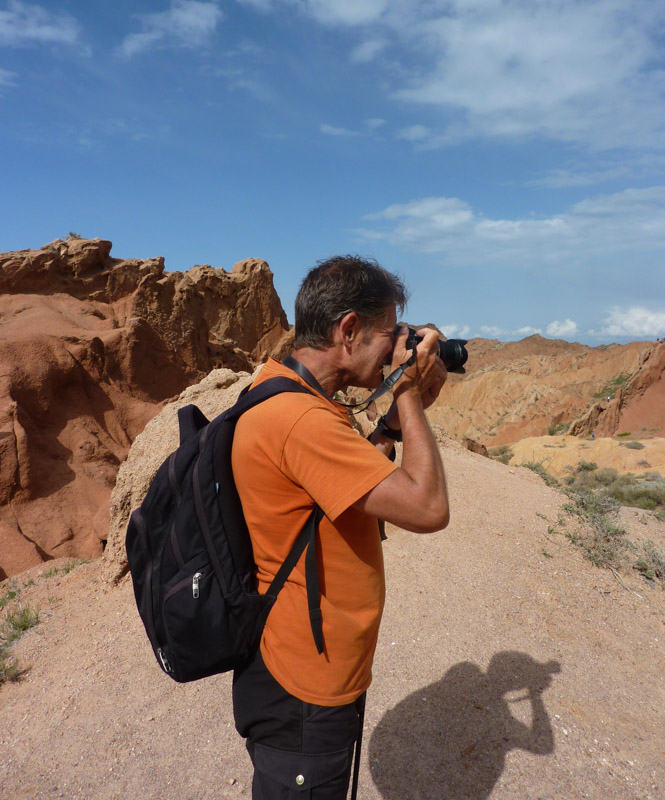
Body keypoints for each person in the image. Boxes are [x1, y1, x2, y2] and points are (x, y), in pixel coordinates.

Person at [231, 255, 450, 799]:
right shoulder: (301, 420)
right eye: (389, 334)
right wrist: (406, 390)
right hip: (306, 688)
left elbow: (340, 482)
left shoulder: (284, 388)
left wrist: (390, 425)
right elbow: (428, 507)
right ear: (348, 330)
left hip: (300, 668)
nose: (394, 350)